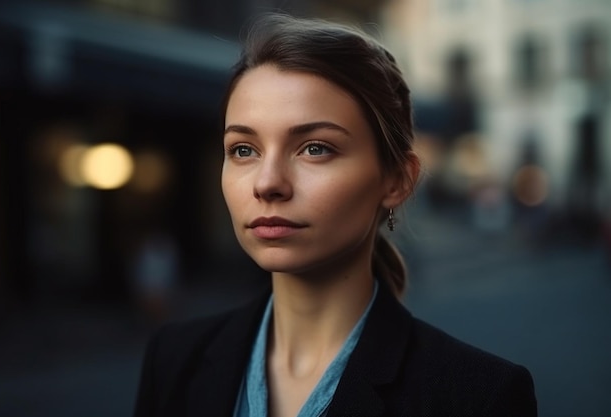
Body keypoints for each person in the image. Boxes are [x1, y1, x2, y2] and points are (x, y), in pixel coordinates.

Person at [133, 13, 537, 417]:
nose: (267, 183)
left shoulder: (479, 398)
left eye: (315, 148)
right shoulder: (173, 360)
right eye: (244, 150)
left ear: (396, 181)